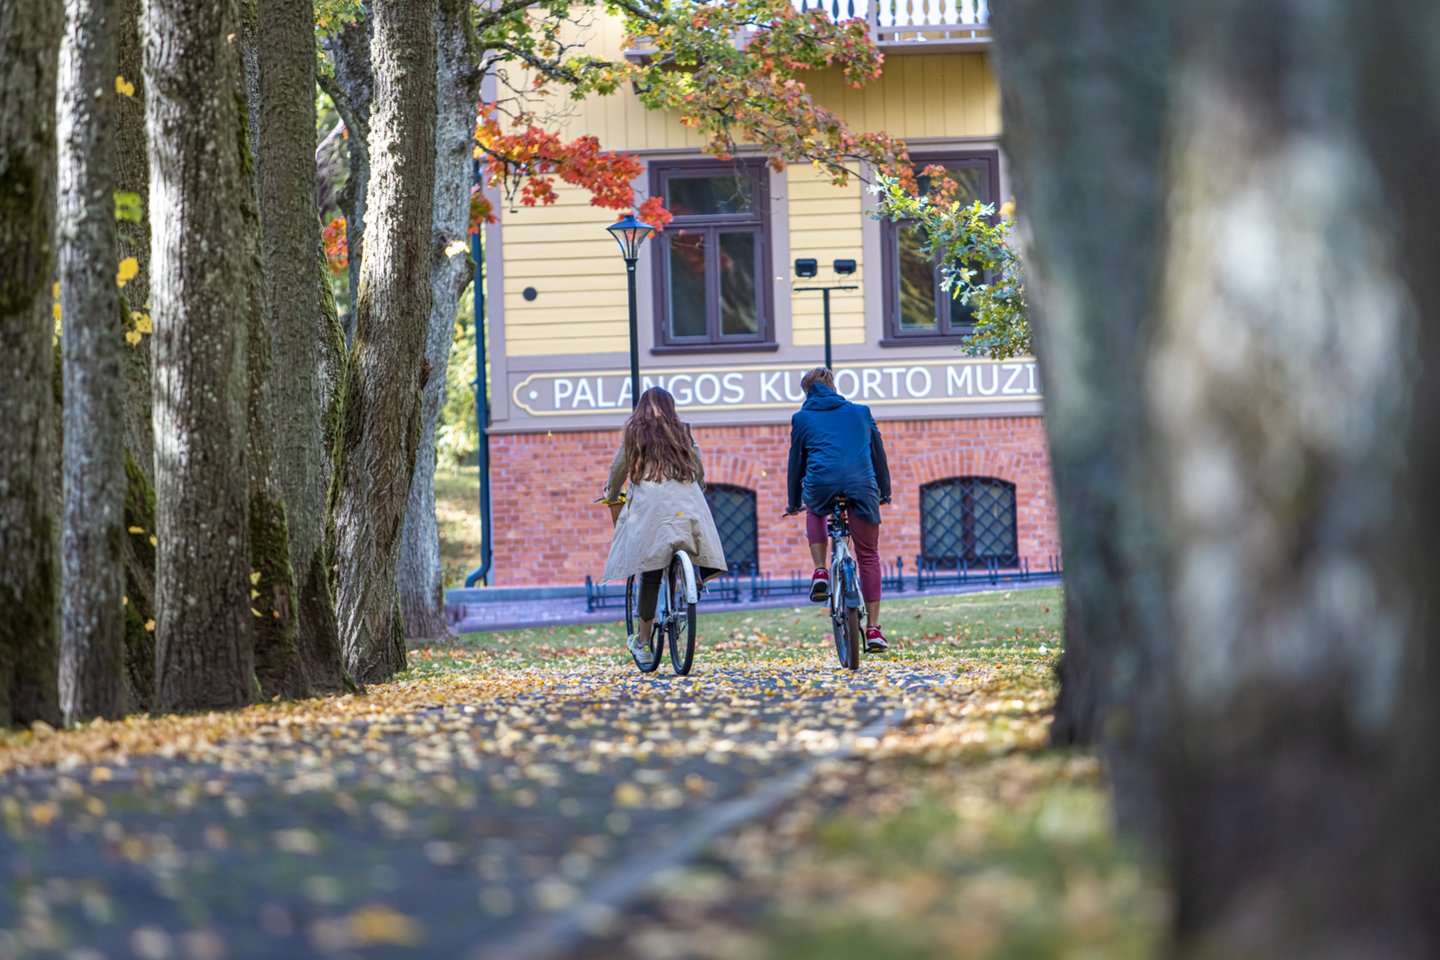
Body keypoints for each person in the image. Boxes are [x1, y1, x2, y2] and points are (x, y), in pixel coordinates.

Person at [600, 387, 726, 668]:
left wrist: (611, 494)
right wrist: (700, 485)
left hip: (651, 506)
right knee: (691, 538)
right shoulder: (682, 430)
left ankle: (643, 643)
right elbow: (697, 462)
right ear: (671, 407)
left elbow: (619, 465)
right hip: (686, 501)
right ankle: (691, 578)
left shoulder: (634, 431)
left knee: (650, 571)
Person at [784, 367, 893, 652]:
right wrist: (885, 492)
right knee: (868, 555)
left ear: (806, 392)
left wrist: (794, 501)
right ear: (833, 387)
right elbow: (877, 454)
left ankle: (820, 571)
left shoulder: (802, 418)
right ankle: (873, 630)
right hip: (862, 485)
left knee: (814, 508)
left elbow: (796, 463)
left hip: (821, 484)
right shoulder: (861, 412)